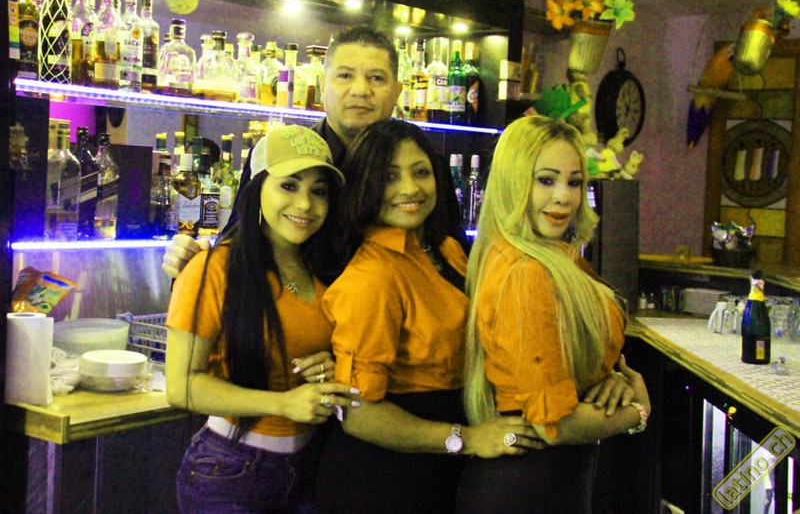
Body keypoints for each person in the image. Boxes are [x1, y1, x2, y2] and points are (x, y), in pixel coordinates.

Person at [315, 119, 540, 514]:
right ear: (364, 185)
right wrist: (467, 438)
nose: (410, 188)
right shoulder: (372, 276)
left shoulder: (446, 249)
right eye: (389, 176)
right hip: (386, 478)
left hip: (442, 464)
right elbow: (358, 415)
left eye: (421, 172)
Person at [456, 115, 652, 514]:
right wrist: (637, 410)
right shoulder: (526, 272)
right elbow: (555, 426)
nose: (564, 197)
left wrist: (607, 378)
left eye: (574, 182)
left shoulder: (549, 256)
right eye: (545, 180)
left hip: (542, 481)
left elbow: (563, 358)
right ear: (513, 183)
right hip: (526, 487)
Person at [162, 25, 465, 276]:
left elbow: (450, 249)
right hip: (297, 318)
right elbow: (238, 240)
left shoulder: (425, 166)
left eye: (376, 78)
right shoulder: (281, 154)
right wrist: (191, 260)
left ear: (397, 92)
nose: (361, 90)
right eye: (345, 75)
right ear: (322, 86)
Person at [165, 125, 359, 513]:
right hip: (229, 469)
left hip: (308, 467)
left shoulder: (324, 270)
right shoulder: (214, 268)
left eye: (319, 191)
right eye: (289, 186)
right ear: (256, 189)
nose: (305, 204)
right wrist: (283, 404)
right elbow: (181, 387)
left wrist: (328, 368)